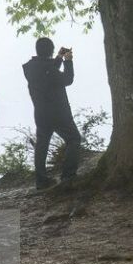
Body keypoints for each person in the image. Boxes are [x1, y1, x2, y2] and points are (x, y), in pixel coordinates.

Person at [23, 37, 81, 190]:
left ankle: (41, 181)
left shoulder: (32, 68)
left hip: (41, 113)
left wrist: (59, 58)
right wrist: (68, 61)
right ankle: (68, 176)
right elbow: (67, 79)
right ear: (51, 50)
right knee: (74, 139)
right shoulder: (48, 69)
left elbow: (48, 73)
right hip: (58, 112)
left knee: (42, 144)